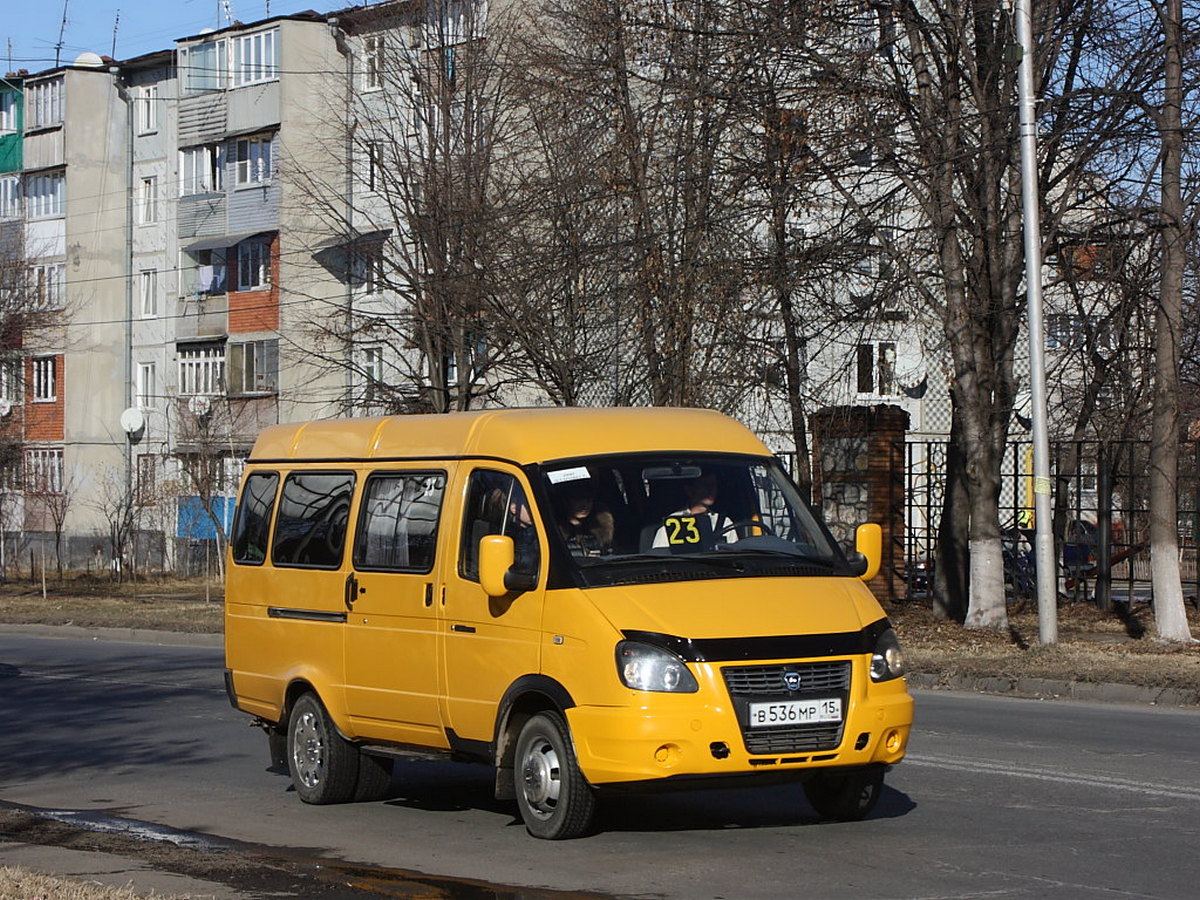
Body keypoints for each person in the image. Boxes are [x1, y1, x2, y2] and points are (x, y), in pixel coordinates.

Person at [651, 471, 737, 551]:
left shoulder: (725, 523)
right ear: (689, 490)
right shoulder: (672, 523)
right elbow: (659, 559)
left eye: (713, 485)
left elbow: (735, 557)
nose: (711, 490)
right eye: (705, 485)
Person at [556, 480, 614, 557]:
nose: (585, 505)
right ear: (566, 502)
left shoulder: (602, 527)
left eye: (588, 500)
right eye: (578, 500)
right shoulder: (553, 528)